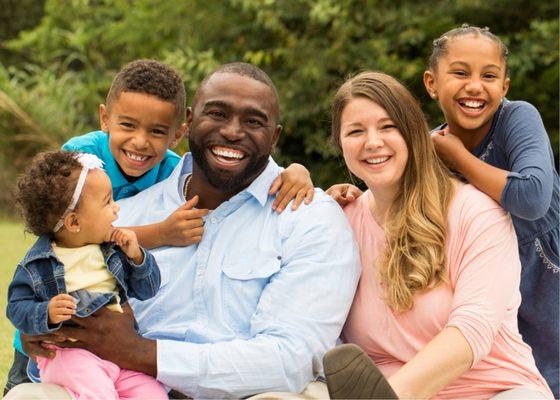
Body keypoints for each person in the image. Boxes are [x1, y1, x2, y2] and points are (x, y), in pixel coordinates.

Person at [7, 62, 360, 399]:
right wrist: (42, 330)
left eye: (253, 121)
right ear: (189, 122)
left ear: (274, 137)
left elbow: (290, 359)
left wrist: (142, 353)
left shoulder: (308, 217)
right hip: (125, 386)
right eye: (217, 114)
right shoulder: (119, 215)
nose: (233, 131)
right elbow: (52, 280)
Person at [328, 25, 559, 396]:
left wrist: (459, 158)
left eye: (489, 75)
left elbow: (532, 199)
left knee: (549, 361)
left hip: (542, 262)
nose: (474, 85)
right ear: (431, 83)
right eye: (355, 132)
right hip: (485, 268)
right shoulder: (346, 214)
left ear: (505, 86)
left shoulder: (512, 122)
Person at [6, 151, 166, 399]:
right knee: (99, 394)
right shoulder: (37, 265)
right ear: (73, 222)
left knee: (153, 393)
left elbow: (148, 290)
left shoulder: (112, 251)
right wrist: (46, 312)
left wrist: (137, 256)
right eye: (107, 202)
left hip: (116, 354)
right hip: (69, 356)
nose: (117, 208)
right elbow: (16, 308)